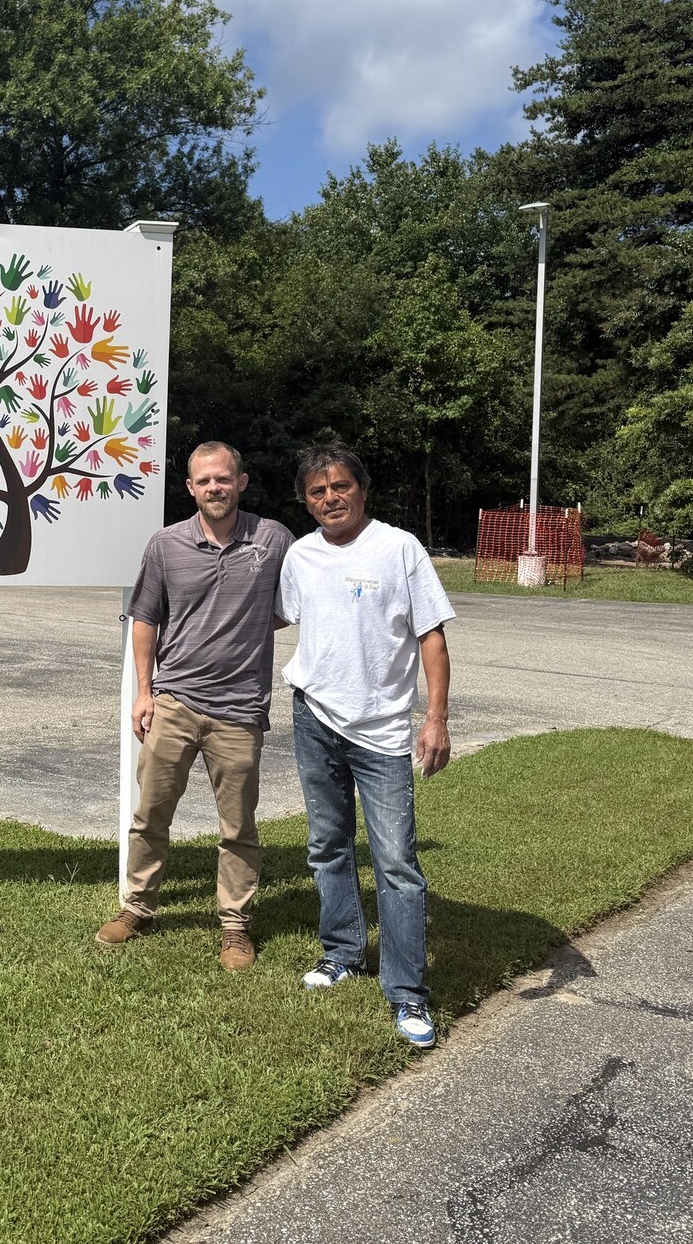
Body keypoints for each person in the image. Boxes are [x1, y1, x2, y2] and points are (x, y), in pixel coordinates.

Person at [276, 443, 455, 1048]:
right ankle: (342, 952)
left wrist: (435, 718)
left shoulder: (399, 548)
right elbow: (279, 618)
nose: (330, 498)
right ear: (305, 501)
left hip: (380, 729)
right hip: (314, 717)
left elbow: (431, 636)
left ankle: (407, 992)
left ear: (362, 488)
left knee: (398, 864)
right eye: (317, 491)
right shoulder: (299, 556)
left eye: (340, 487)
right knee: (327, 845)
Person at [96, 442, 294, 971]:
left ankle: (234, 926)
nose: (215, 488)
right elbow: (145, 618)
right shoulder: (166, 545)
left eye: (224, 479)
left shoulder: (272, 540)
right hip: (175, 702)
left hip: (240, 710)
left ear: (242, 481)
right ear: (190, 487)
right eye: (204, 481)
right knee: (151, 813)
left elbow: (292, 605)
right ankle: (137, 907)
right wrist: (144, 690)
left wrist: (249, 627)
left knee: (238, 826)